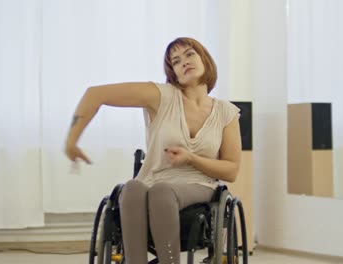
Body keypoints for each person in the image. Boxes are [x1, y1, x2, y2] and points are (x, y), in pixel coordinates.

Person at [65, 37, 241, 264]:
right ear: (173, 73)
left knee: (161, 192)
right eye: (176, 61)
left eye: (189, 54)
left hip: (199, 184)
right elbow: (95, 94)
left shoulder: (225, 112)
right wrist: (72, 141)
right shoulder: (162, 96)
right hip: (154, 178)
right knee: (132, 188)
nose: (184, 62)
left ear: (204, 59)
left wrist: (190, 158)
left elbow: (231, 170)